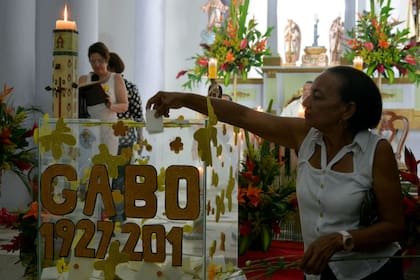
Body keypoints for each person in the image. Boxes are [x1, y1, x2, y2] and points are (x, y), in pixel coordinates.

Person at [147, 66, 404, 279]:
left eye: (317, 97)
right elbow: (242, 116)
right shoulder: (305, 136)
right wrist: (183, 98)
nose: (304, 103)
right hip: (318, 273)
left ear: (347, 110)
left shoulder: (375, 151)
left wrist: (341, 240)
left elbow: (394, 226)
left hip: (370, 272)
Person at [107, 52, 144, 222]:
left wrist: (140, 138)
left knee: (118, 178)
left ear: (112, 68)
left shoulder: (125, 87)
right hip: (113, 139)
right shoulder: (102, 87)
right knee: (117, 178)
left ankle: (116, 216)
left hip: (120, 140)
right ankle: (115, 216)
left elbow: (138, 116)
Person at [79, 42, 128, 155]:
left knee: (107, 166)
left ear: (106, 59)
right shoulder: (83, 79)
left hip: (108, 129)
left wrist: (111, 105)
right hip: (88, 130)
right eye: (93, 61)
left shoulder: (116, 78)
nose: (96, 64)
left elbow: (124, 105)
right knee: (89, 165)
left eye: (100, 60)